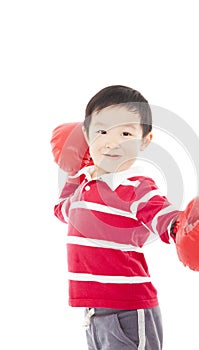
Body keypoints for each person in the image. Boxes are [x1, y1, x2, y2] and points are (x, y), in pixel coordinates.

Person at [53, 85, 181, 349]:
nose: (112, 142)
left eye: (126, 132)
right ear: (86, 135)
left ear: (144, 141)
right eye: (101, 131)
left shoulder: (135, 187)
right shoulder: (83, 188)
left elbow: (162, 216)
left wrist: (184, 227)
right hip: (92, 312)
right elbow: (61, 210)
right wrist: (72, 169)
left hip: (129, 310)